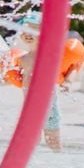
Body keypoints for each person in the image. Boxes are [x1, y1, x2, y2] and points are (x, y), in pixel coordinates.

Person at [17, 12, 63, 152]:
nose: (28, 33)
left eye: (33, 29)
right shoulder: (23, 58)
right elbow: (18, 79)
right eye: (25, 29)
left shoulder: (48, 56)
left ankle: (60, 164)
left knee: (53, 140)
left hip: (48, 107)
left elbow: (66, 70)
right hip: (29, 106)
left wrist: (68, 82)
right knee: (30, 141)